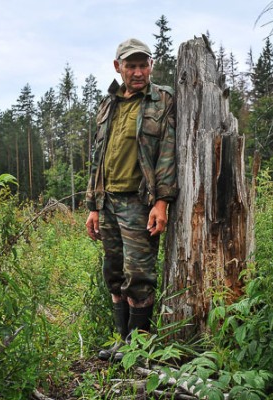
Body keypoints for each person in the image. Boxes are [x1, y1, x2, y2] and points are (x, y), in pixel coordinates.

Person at [85, 38, 177, 361]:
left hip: (140, 203)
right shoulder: (108, 104)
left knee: (139, 277)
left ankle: (138, 350)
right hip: (107, 202)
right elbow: (97, 157)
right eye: (131, 66)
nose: (138, 72)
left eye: (143, 65)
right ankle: (121, 344)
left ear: (151, 65)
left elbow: (167, 154)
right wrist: (93, 206)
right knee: (113, 274)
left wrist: (162, 202)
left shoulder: (161, 101)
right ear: (118, 67)